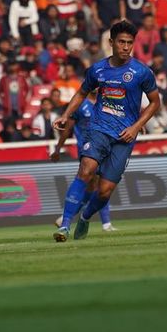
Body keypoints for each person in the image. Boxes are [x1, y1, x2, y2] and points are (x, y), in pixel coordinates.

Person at [52, 20, 160, 242]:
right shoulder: (98, 69)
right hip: (99, 128)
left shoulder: (141, 72)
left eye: (130, 43)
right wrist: (66, 115)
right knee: (86, 170)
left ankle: (85, 217)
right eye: (121, 42)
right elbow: (81, 93)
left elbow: (154, 103)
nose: (126, 47)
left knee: (104, 191)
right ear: (111, 42)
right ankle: (64, 226)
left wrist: (136, 127)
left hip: (124, 136)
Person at [51, 89, 116, 232]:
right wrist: (57, 149)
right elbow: (67, 129)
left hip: (103, 147)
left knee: (93, 186)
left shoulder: (105, 103)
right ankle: (105, 224)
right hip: (86, 150)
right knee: (98, 183)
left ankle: (67, 217)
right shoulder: (80, 105)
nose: (96, 86)